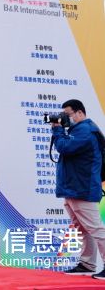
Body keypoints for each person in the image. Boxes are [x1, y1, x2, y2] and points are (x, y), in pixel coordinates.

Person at [52, 99, 105, 279]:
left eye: (67, 115)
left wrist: (57, 129)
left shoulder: (85, 130)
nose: (65, 118)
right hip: (74, 188)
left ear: (80, 113)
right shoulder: (78, 131)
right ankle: (87, 264)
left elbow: (64, 147)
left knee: (96, 228)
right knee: (82, 228)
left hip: (82, 188)